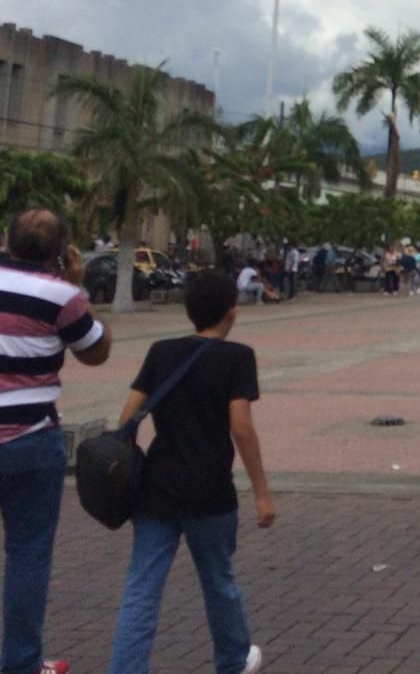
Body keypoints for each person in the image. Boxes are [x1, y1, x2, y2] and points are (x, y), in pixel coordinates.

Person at [107, 269, 274, 674]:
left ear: (189, 310)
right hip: (210, 490)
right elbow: (241, 428)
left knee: (142, 588)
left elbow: (127, 420)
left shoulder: (161, 351)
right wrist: (261, 491)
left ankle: (126, 668)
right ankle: (232, 660)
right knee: (218, 581)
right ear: (231, 313)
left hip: (156, 488)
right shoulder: (238, 358)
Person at [0, 209, 111, 674]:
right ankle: (20, 664)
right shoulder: (62, 296)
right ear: (60, 251)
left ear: (7, 241)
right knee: (27, 556)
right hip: (29, 441)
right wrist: (78, 284)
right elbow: (96, 352)